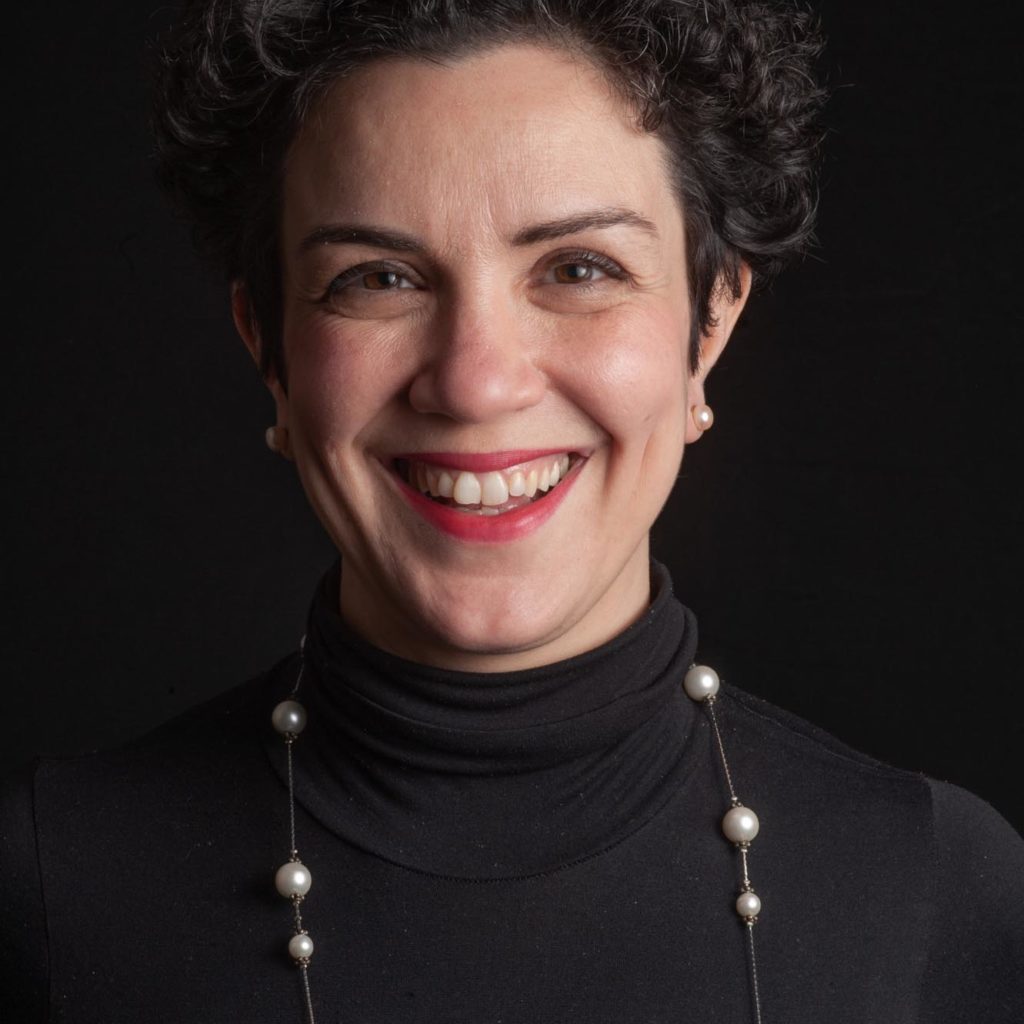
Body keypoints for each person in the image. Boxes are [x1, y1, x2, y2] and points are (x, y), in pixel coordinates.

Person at [2, 0, 1022, 1021]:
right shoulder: (45, 892)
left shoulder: (942, 890)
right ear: (268, 349)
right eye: (378, 278)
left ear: (708, 324)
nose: (475, 382)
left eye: (579, 269)